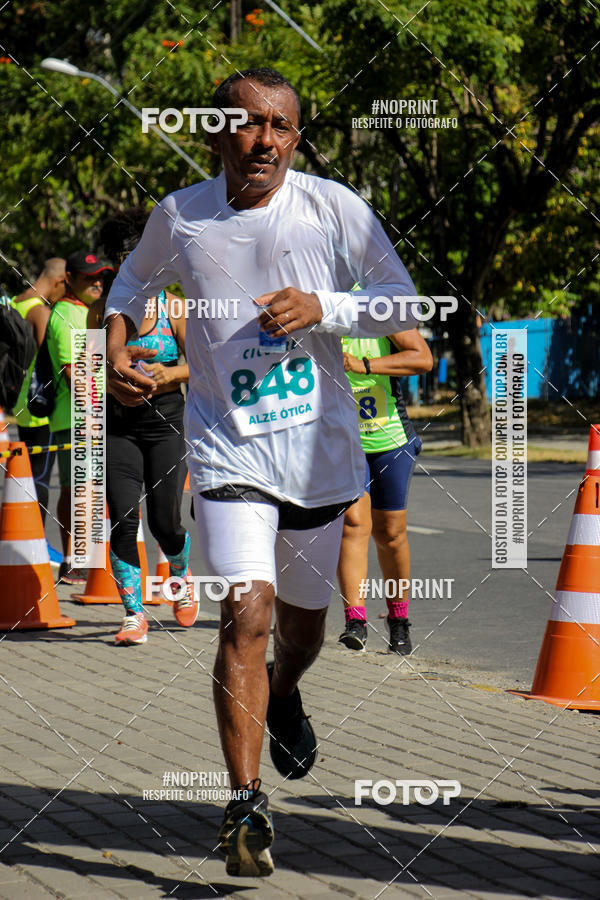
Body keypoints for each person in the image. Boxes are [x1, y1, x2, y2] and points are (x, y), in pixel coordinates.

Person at [103, 67, 418, 878]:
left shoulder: (334, 206)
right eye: (248, 124)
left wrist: (326, 305)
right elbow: (134, 281)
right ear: (217, 132)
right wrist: (115, 344)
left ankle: (285, 692)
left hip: (318, 457)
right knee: (245, 612)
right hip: (226, 448)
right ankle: (244, 807)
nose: (265, 140)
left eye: (281, 126)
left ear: (296, 138)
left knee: (301, 632)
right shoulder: (182, 215)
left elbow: (400, 302)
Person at [89, 208, 195, 645]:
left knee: (165, 521)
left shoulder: (174, 307)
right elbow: (86, 370)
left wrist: (171, 374)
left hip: (166, 425)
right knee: (124, 518)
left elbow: (204, 365)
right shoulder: (101, 312)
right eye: (120, 259)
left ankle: (182, 576)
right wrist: (106, 381)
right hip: (117, 429)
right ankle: (133, 615)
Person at [337, 328, 433, 653]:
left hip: (389, 440)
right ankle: (355, 620)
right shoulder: (320, 307)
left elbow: (422, 358)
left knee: (390, 533)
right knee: (353, 522)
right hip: (344, 442)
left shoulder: (382, 307)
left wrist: (362, 364)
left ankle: (399, 621)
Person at [46, 250, 114, 584]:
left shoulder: (89, 312)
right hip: (76, 418)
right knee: (79, 489)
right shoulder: (64, 314)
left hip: (92, 416)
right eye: (89, 278)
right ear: (69, 279)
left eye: (100, 277)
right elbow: (74, 372)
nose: (97, 283)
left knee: (85, 488)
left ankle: (81, 558)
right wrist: (90, 415)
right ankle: (74, 559)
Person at [11, 258, 66, 564]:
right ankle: (37, 543)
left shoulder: (16, 303)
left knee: (28, 475)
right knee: (40, 479)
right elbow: (51, 361)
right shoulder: (41, 311)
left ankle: (29, 538)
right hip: (41, 407)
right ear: (58, 282)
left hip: (20, 404)